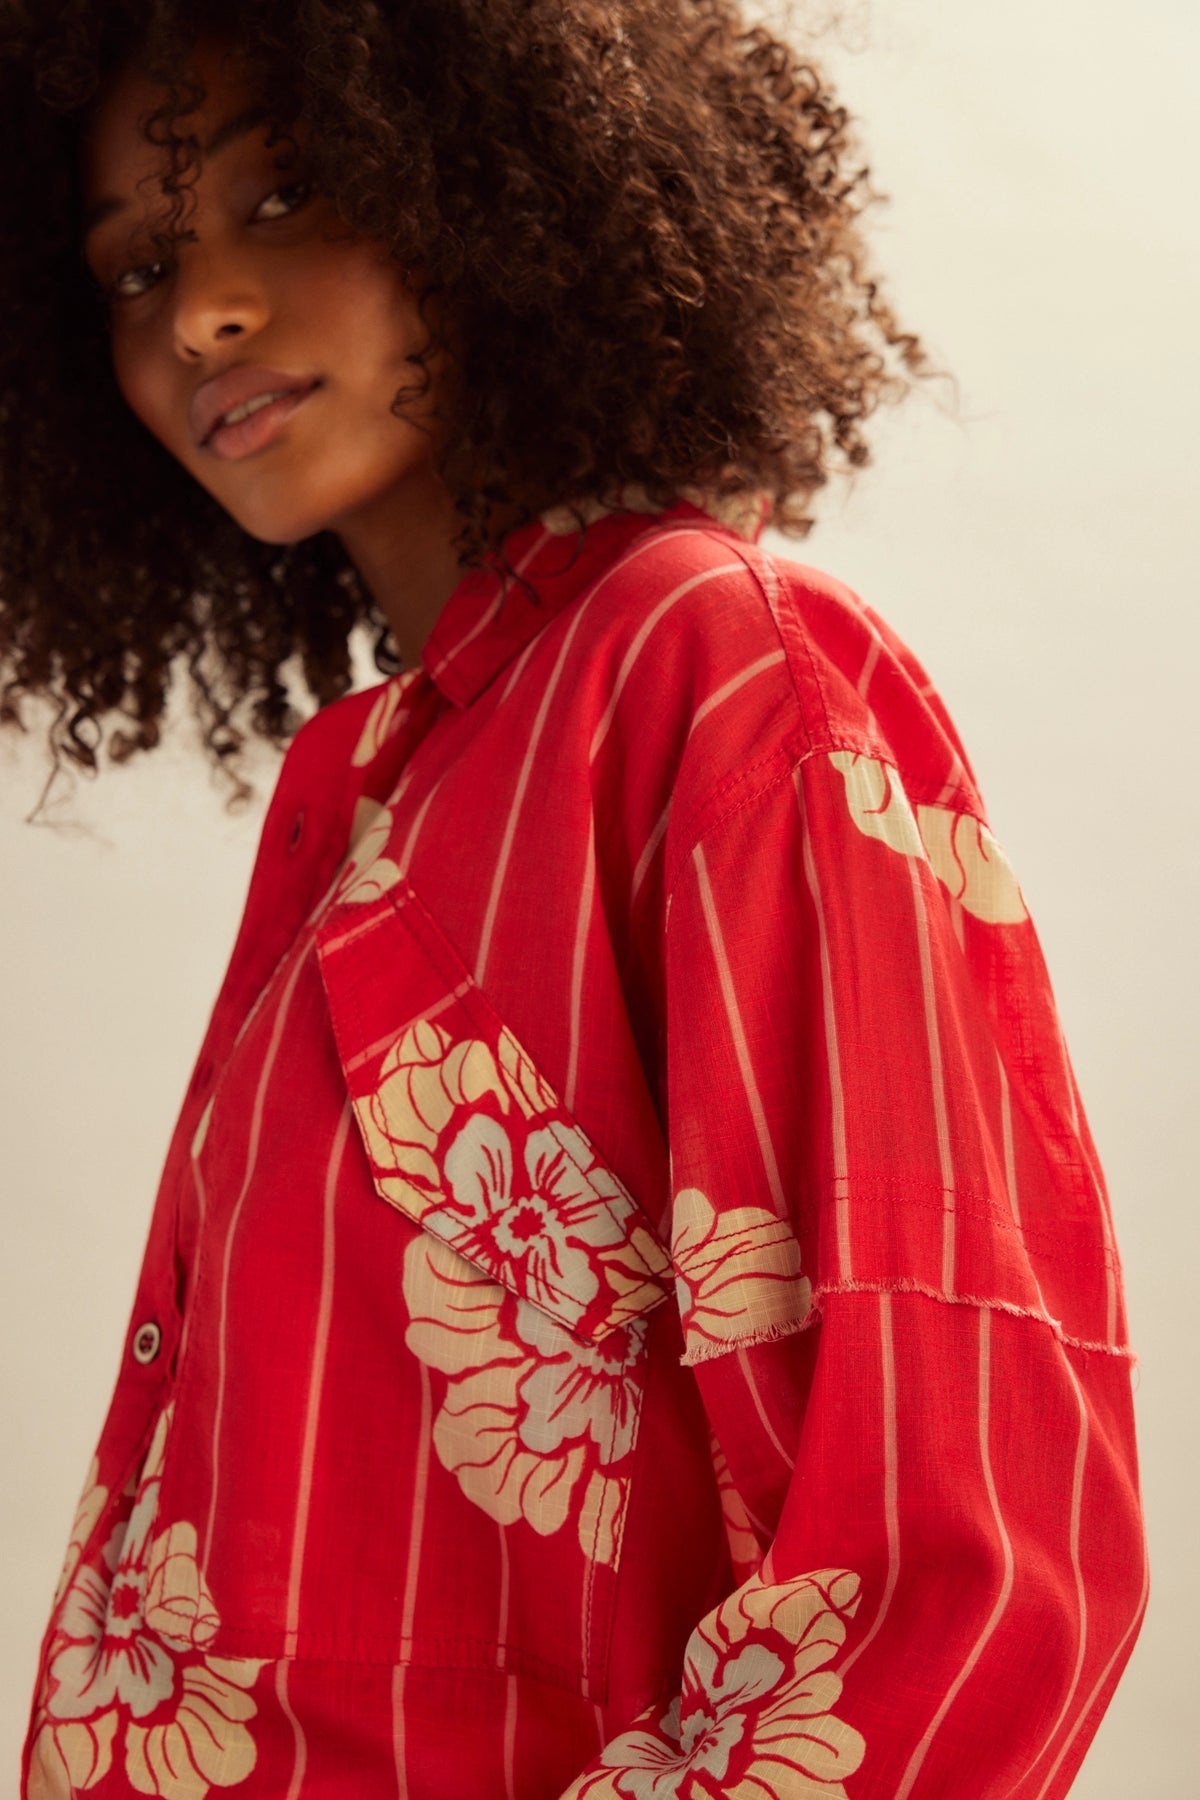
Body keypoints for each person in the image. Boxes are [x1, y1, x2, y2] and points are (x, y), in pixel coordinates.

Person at [3, 3, 1146, 1796]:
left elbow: (957, 1566)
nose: (200, 312)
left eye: (283, 194)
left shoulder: (722, 670)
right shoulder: (356, 792)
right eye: (135, 268)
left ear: (473, 177)